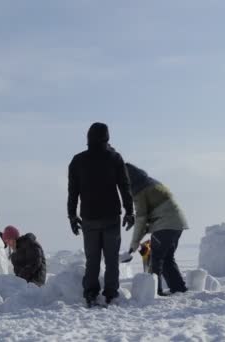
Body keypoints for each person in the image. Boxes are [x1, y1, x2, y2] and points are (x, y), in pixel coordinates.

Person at [67, 122, 134, 306]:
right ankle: (111, 293)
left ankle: (90, 293)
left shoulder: (77, 161)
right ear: (107, 137)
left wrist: (72, 216)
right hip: (111, 215)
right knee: (112, 259)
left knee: (92, 259)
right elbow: (124, 186)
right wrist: (130, 211)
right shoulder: (114, 158)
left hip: (89, 218)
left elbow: (73, 192)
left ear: (88, 137)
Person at [125, 163, 188, 296]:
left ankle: (154, 292)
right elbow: (152, 214)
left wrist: (134, 243)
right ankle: (179, 288)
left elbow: (141, 218)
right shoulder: (151, 183)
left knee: (155, 259)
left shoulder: (139, 190)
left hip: (165, 225)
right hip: (177, 224)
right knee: (167, 258)